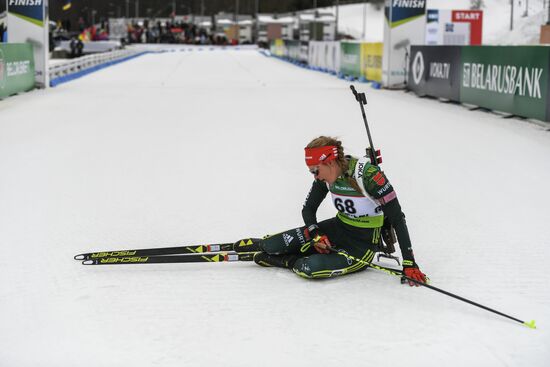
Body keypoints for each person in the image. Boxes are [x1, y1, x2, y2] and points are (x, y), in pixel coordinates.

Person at [249, 136, 428, 285]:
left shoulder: (368, 175)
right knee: (269, 245)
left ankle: (291, 258)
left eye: (315, 170)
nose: (314, 176)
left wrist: (409, 263)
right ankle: (287, 249)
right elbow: (308, 209)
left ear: (330, 162)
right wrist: (316, 233)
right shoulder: (325, 178)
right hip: (337, 228)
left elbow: (398, 218)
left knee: (310, 268)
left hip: (361, 244)